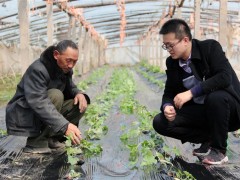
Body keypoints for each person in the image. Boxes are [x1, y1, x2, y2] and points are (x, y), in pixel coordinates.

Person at [153, 19, 240, 165]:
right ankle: (208, 138)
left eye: (171, 45)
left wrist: (191, 92)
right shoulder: (172, 63)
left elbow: (224, 77)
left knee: (215, 97)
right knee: (160, 122)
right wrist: (166, 106)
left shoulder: (210, 48)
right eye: (165, 46)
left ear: (185, 40)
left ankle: (219, 151)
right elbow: (169, 92)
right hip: (205, 113)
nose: (168, 49)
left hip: (230, 111)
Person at [5, 40, 90, 154]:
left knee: (78, 103)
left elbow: (70, 87)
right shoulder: (38, 69)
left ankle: (53, 139)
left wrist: (79, 93)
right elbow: (38, 102)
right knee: (56, 95)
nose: (71, 65)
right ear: (56, 55)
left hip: (41, 109)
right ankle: (35, 143)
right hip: (24, 111)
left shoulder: (64, 68)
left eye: (75, 62)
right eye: (68, 60)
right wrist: (64, 126)